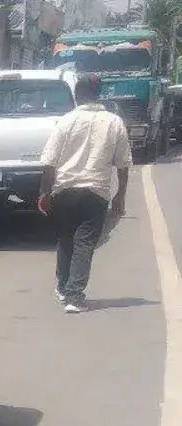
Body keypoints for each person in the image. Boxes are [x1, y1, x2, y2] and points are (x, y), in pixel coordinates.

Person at [37, 73, 131, 313]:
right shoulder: (114, 122)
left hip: (65, 191)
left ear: (77, 96)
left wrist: (45, 192)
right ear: (98, 96)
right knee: (85, 242)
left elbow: (49, 162)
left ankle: (63, 287)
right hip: (96, 192)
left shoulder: (65, 121)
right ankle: (74, 296)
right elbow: (123, 164)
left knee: (66, 238)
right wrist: (120, 195)